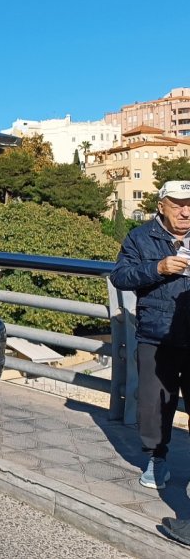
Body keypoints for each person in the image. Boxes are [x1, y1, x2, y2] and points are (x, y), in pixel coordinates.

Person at [110, 181, 190, 517]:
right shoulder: (140, 238)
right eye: (177, 205)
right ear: (161, 206)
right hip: (156, 335)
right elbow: (121, 276)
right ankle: (157, 461)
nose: (186, 212)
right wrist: (157, 269)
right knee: (154, 405)